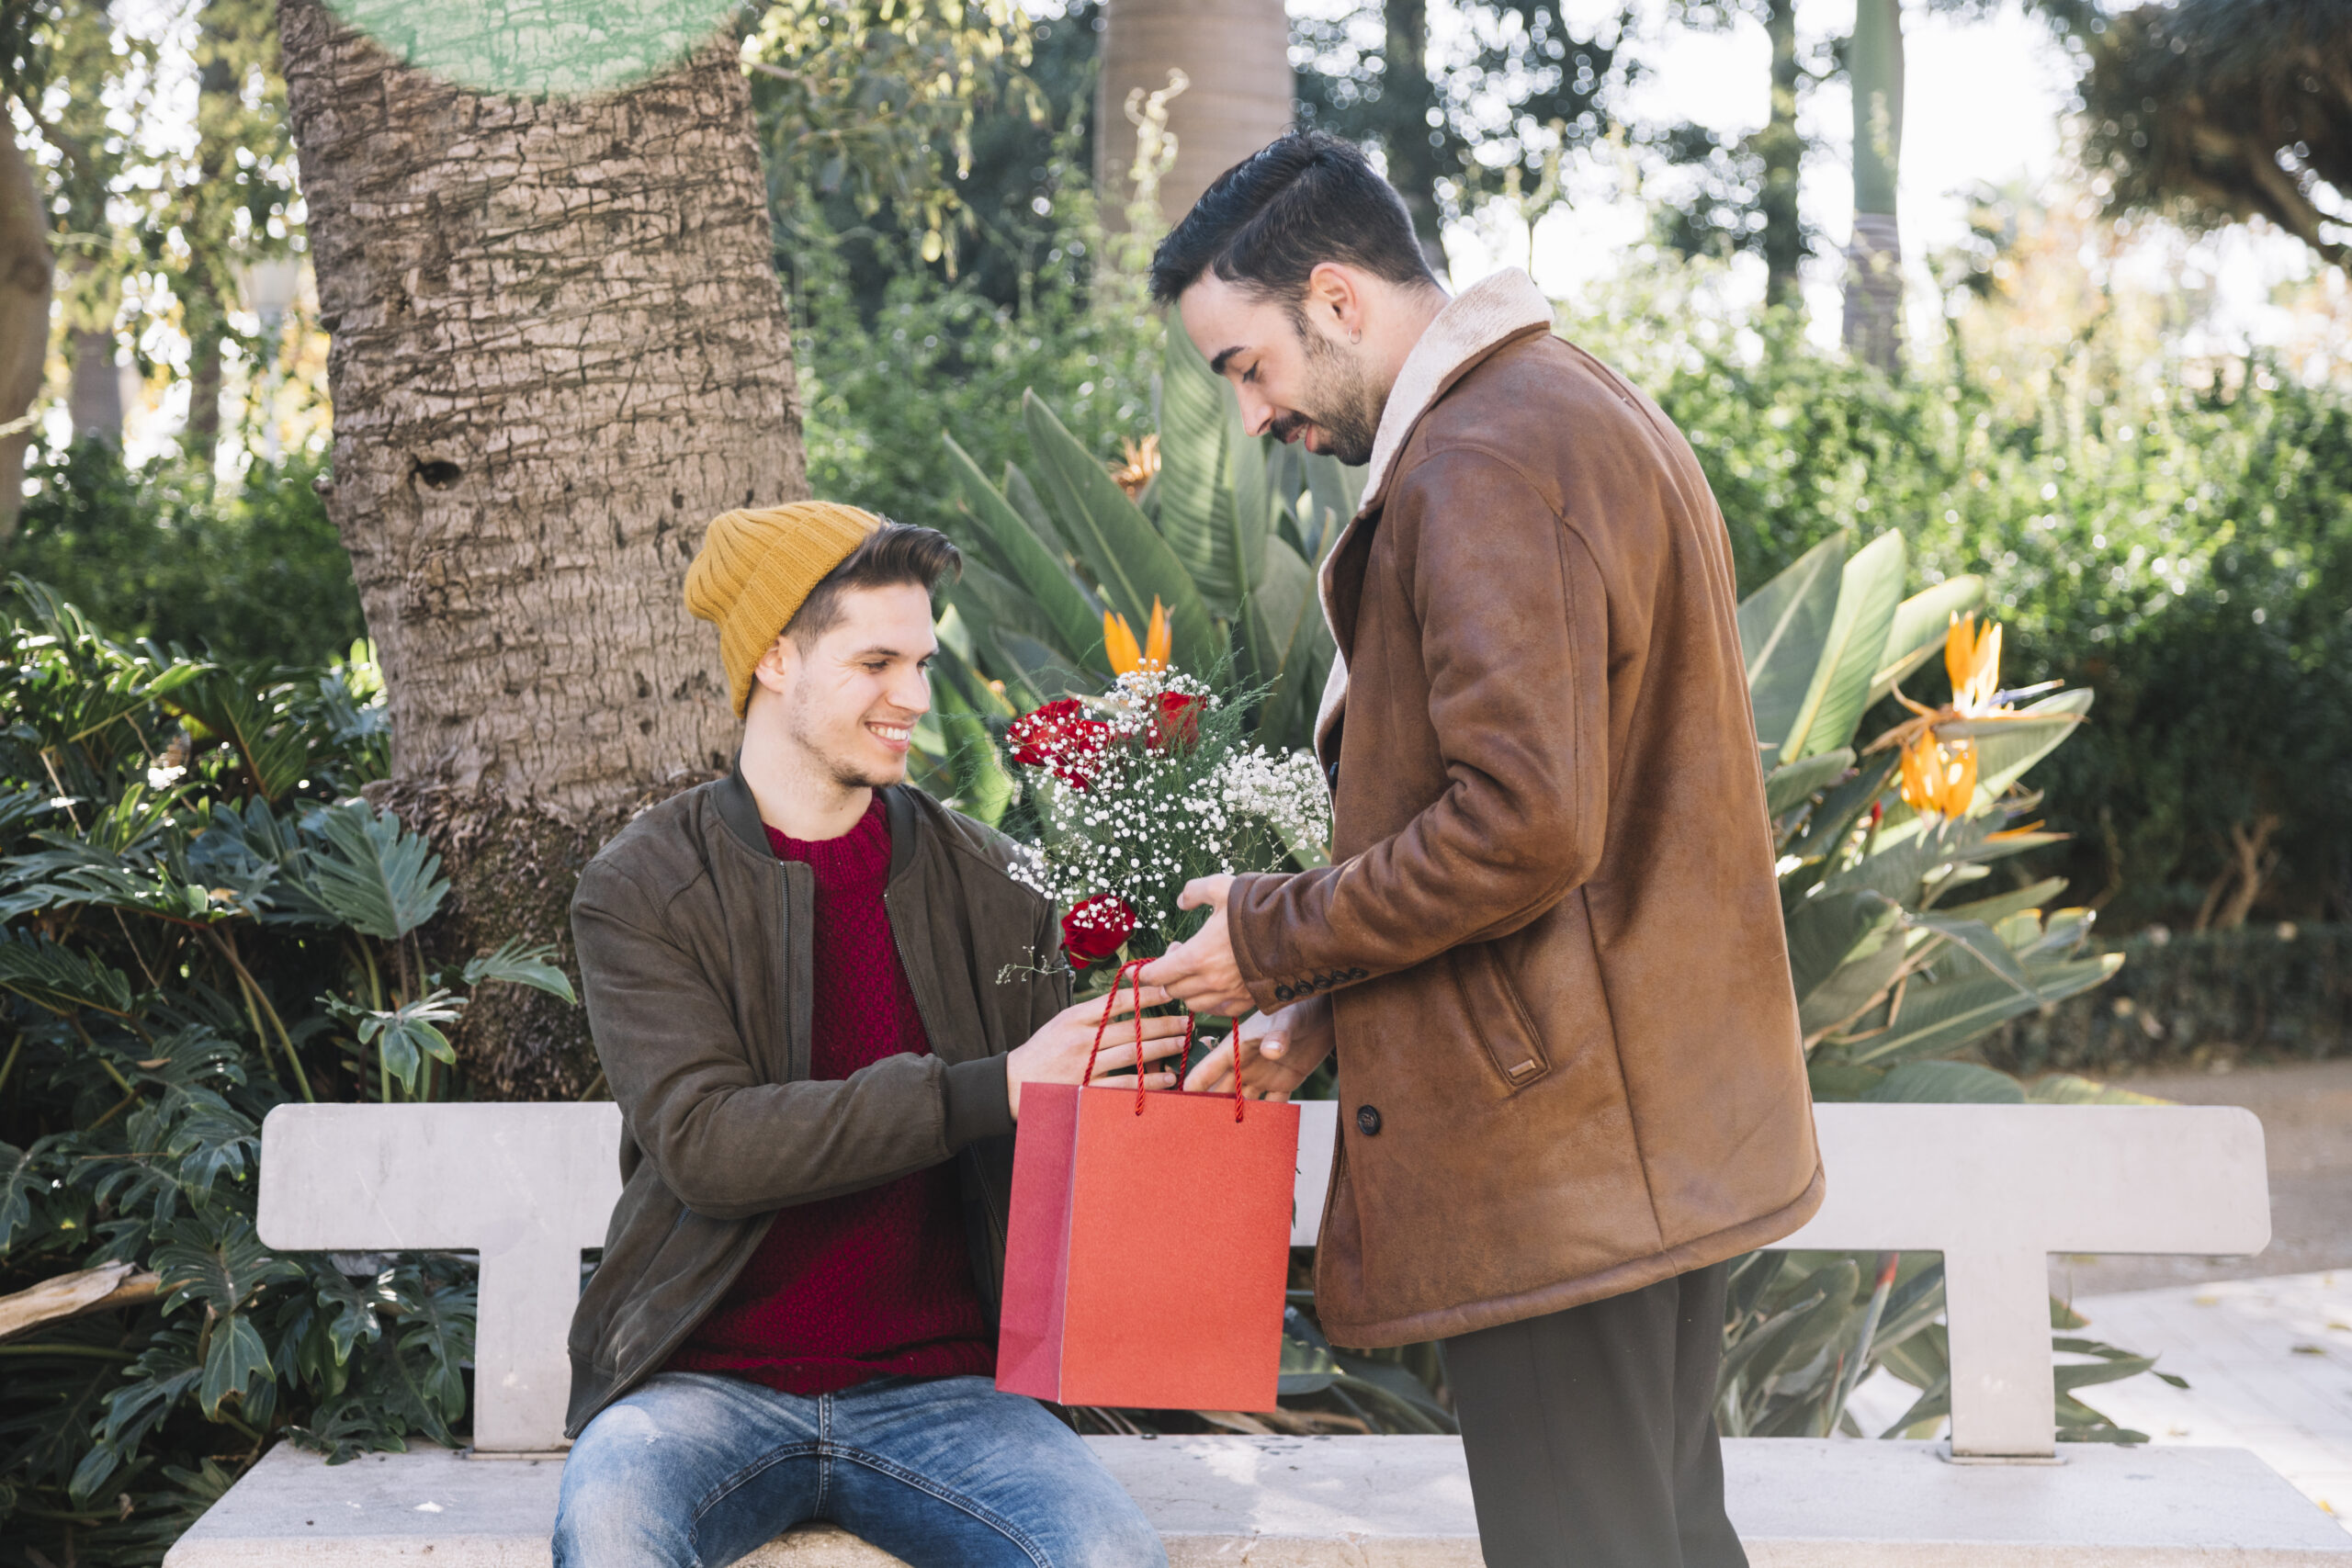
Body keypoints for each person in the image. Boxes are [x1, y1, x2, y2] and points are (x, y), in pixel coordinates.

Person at [1138, 134, 1824, 1568]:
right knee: (1668, 1538)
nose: (1254, 414)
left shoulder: (1481, 457)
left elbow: (1522, 822)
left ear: (1334, 297)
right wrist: (1331, 1011)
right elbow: (1577, 827)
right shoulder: (1568, 406)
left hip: (1562, 1159)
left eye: (1246, 366)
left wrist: (1273, 932)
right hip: (1640, 1127)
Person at [552, 502, 1184, 1568]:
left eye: (924, 662)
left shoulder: (993, 883)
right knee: (611, 1540)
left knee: (1113, 1560)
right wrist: (990, 1088)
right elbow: (709, 1146)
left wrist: (1179, 1047)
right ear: (774, 663)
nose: (914, 700)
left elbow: (1065, 1141)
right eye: (876, 662)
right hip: (704, 1386)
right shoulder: (643, 889)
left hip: (947, 1393)